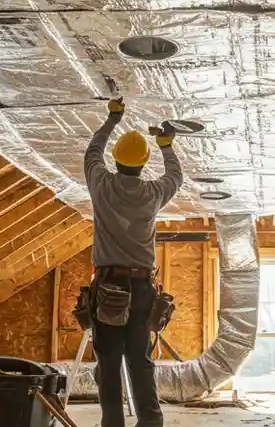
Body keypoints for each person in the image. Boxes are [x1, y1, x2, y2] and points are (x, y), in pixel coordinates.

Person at [83, 97, 183, 427]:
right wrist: (166, 144)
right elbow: (176, 176)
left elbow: (92, 153)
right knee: (140, 362)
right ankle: (151, 423)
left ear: (117, 160)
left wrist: (113, 118)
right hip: (142, 288)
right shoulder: (153, 193)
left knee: (109, 363)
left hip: (109, 286)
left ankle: (112, 424)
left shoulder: (101, 185)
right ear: (143, 163)